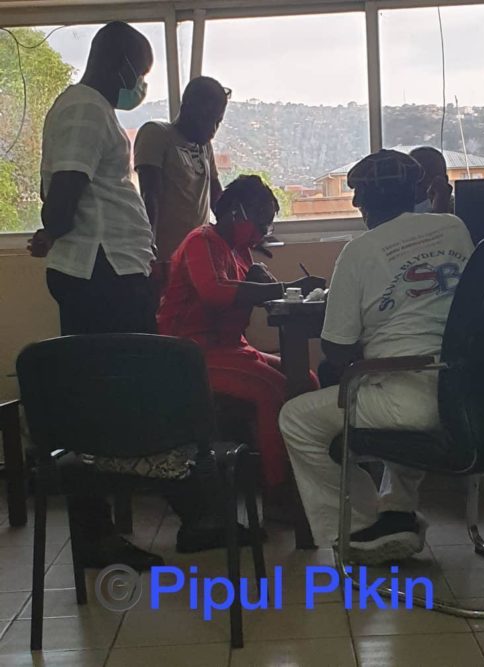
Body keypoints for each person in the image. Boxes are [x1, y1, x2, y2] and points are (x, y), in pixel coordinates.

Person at [28, 22, 227, 569]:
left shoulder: (92, 110)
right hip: (103, 273)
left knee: (119, 392)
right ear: (118, 63)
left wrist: (60, 232)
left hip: (109, 268)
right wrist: (55, 228)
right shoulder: (84, 109)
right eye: (139, 73)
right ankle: (154, 519)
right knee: (127, 391)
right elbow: (65, 197)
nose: (140, 84)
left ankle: (178, 513)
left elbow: (83, 194)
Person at [279, 149, 474, 564]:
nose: (355, 203)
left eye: (358, 197)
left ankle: (361, 527)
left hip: (410, 401)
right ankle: (397, 513)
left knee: (297, 419)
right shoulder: (454, 227)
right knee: (388, 387)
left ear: (362, 201)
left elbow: (337, 349)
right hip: (468, 394)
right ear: (417, 191)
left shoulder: (359, 251)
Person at [157, 175, 325, 488]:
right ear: (236, 211)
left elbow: (248, 294)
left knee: (306, 379)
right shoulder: (201, 241)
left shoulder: (239, 252)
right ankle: (278, 490)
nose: (262, 231)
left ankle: (308, 474)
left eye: (267, 225)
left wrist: (266, 284)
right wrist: (286, 287)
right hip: (191, 353)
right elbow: (214, 291)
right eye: (260, 221)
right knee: (272, 391)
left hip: (230, 347)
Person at [134, 76, 229, 296]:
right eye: (207, 119)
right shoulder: (156, 133)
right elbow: (150, 195)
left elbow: (217, 198)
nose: (213, 128)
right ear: (187, 108)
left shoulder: (205, 147)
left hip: (198, 258)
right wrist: (149, 250)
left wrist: (247, 230)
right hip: (165, 259)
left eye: (218, 121)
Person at [410, 146, 453, 213]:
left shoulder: (459, 208)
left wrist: (440, 203)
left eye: (431, 175)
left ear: (445, 180)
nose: (424, 181)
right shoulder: (396, 209)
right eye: (418, 175)